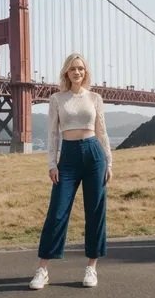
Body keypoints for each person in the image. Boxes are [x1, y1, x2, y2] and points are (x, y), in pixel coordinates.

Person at [29, 53, 113, 290]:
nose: (77, 72)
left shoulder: (95, 98)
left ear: (86, 72)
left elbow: (102, 131)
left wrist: (109, 162)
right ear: (66, 72)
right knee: (57, 211)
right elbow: (53, 134)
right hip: (68, 156)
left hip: (94, 153)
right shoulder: (56, 99)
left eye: (81, 69)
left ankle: (91, 267)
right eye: (73, 69)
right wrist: (51, 164)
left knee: (95, 211)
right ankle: (42, 269)